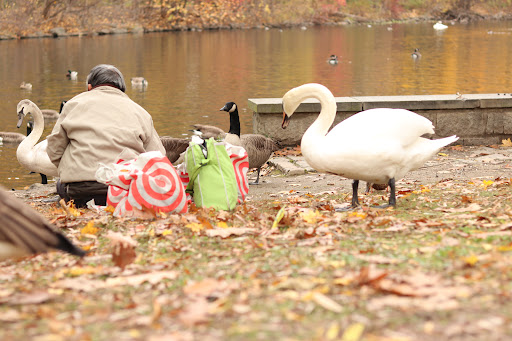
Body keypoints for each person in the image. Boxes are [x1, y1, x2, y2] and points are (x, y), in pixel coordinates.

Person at [47, 64, 165, 207]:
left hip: (80, 191)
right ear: (122, 89)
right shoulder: (140, 112)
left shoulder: (73, 104)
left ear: (90, 87)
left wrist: (71, 170)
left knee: (60, 185)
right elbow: (158, 155)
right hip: (125, 190)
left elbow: (54, 149)